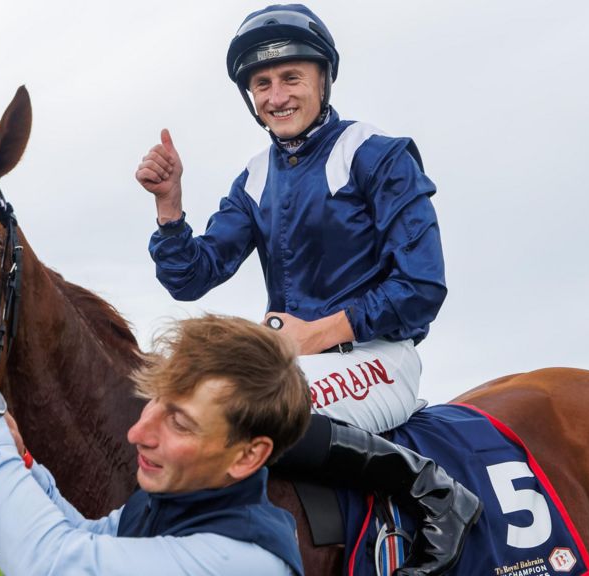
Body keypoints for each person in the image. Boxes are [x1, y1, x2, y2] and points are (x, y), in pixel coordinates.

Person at [134, 4, 479, 573]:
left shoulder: (377, 153)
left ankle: (438, 496)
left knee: (254, 415)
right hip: (296, 364)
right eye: (262, 84)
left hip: (380, 358)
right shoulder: (255, 176)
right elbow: (192, 277)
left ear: (323, 80)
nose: (276, 96)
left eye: (292, 77)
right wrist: (169, 206)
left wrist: (318, 334)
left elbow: (422, 286)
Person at [0, 295, 476, 575]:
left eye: (180, 423)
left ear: (250, 456)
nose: (139, 430)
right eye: (155, 405)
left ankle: (431, 486)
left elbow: (53, 563)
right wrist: (23, 457)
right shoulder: (181, 508)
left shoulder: (237, 561)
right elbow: (83, 534)